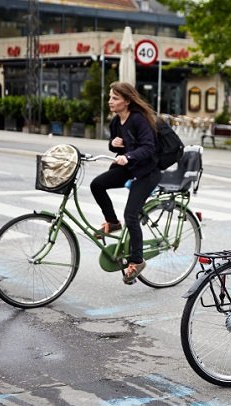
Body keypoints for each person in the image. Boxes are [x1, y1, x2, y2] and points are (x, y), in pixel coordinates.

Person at [90, 82, 160, 284]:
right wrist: (113, 144)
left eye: (115, 98)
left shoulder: (139, 120)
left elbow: (149, 147)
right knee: (97, 185)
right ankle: (112, 222)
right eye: (110, 97)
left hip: (147, 173)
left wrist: (128, 156)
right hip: (129, 169)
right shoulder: (116, 121)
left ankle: (137, 261)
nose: (110, 101)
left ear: (127, 101)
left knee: (131, 215)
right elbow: (115, 144)